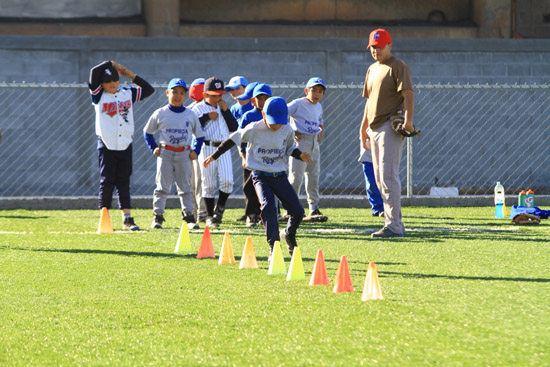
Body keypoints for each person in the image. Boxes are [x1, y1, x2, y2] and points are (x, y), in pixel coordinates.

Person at [203, 96, 311, 259]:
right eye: (273, 121)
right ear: (264, 115)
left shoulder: (287, 129)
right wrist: (214, 155)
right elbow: (232, 140)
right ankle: (273, 246)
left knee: (298, 211)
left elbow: (290, 149)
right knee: (268, 207)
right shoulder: (254, 128)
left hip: (279, 176)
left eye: (280, 122)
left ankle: (288, 234)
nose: (276, 126)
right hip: (260, 176)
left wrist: (300, 155)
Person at [359, 28, 415, 238]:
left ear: (389, 45)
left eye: (380, 46)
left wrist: (408, 121)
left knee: (388, 176)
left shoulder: (398, 66)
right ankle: (391, 222)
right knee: (380, 177)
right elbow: (368, 101)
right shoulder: (372, 69)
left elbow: (408, 94)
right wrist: (363, 127)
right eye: (373, 47)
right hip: (373, 127)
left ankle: (394, 226)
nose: (376, 50)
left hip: (390, 125)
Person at [89, 60, 154, 231]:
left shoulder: (127, 93)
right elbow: (94, 72)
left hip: (125, 142)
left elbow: (149, 90)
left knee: (123, 181)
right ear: (101, 84)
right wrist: (109, 63)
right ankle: (104, 217)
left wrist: (130, 75)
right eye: (107, 82)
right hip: (107, 142)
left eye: (115, 80)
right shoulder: (98, 95)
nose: (112, 84)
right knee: (107, 181)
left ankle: (127, 218)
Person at [143, 78, 205, 230]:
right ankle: (158, 216)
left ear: (185, 95)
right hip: (166, 153)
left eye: (181, 93)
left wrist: (195, 151)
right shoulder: (161, 113)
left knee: (185, 187)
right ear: (167, 93)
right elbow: (147, 132)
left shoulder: (190, 114)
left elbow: (200, 135)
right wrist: (153, 148)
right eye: (174, 92)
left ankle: (189, 216)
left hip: (183, 153)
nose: (177, 95)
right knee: (162, 186)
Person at [191, 77, 238, 228]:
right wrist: (206, 117)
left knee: (227, 180)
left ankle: (220, 208)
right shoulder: (198, 108)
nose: (218, 98)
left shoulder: (223, 107)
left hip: (223, 147)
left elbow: (234, 127)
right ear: (205, 95)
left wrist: (225, 110)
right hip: (207, 147)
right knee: (209, 184)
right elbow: (193, 128)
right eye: (214, 95)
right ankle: (210, 216)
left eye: (219, 95)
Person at [287, 77, 327, 221]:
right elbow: (282, 113)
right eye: (313, 90)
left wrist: (321, 130)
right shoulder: (298, 103)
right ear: (306, 91)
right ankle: (290, 207)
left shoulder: (318, 106)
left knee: (313, 176)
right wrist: (292, 131)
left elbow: (319, 122)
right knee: (296, 177)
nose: (316, 94)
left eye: (320, 91)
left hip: (313, 142)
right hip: (301, 141)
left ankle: (313, 208)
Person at [238, 83, 273, 227]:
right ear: (253, 100)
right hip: (251, 157)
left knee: (266, 187)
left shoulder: (272, 115)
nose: (263, 101)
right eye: (260, 98)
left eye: (266, 98)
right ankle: (251, 215)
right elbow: (240, 137)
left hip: (267, 157)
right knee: (249, 187)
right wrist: (243, 155)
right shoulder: (248, 116)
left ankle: (266, 215)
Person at [187, 78, 208, 223]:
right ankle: (199, 212)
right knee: (198, 182)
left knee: (197, 183)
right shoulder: (194, 109)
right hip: (196, 150)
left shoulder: (190, 108)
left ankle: (197, 211)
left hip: (196, 149)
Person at [359, 144, 384, 217]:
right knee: (371, 183)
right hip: (368, 155)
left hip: (383, 154)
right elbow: (362, 133)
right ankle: (378, 209)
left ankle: (390, 208)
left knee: (386, 182)